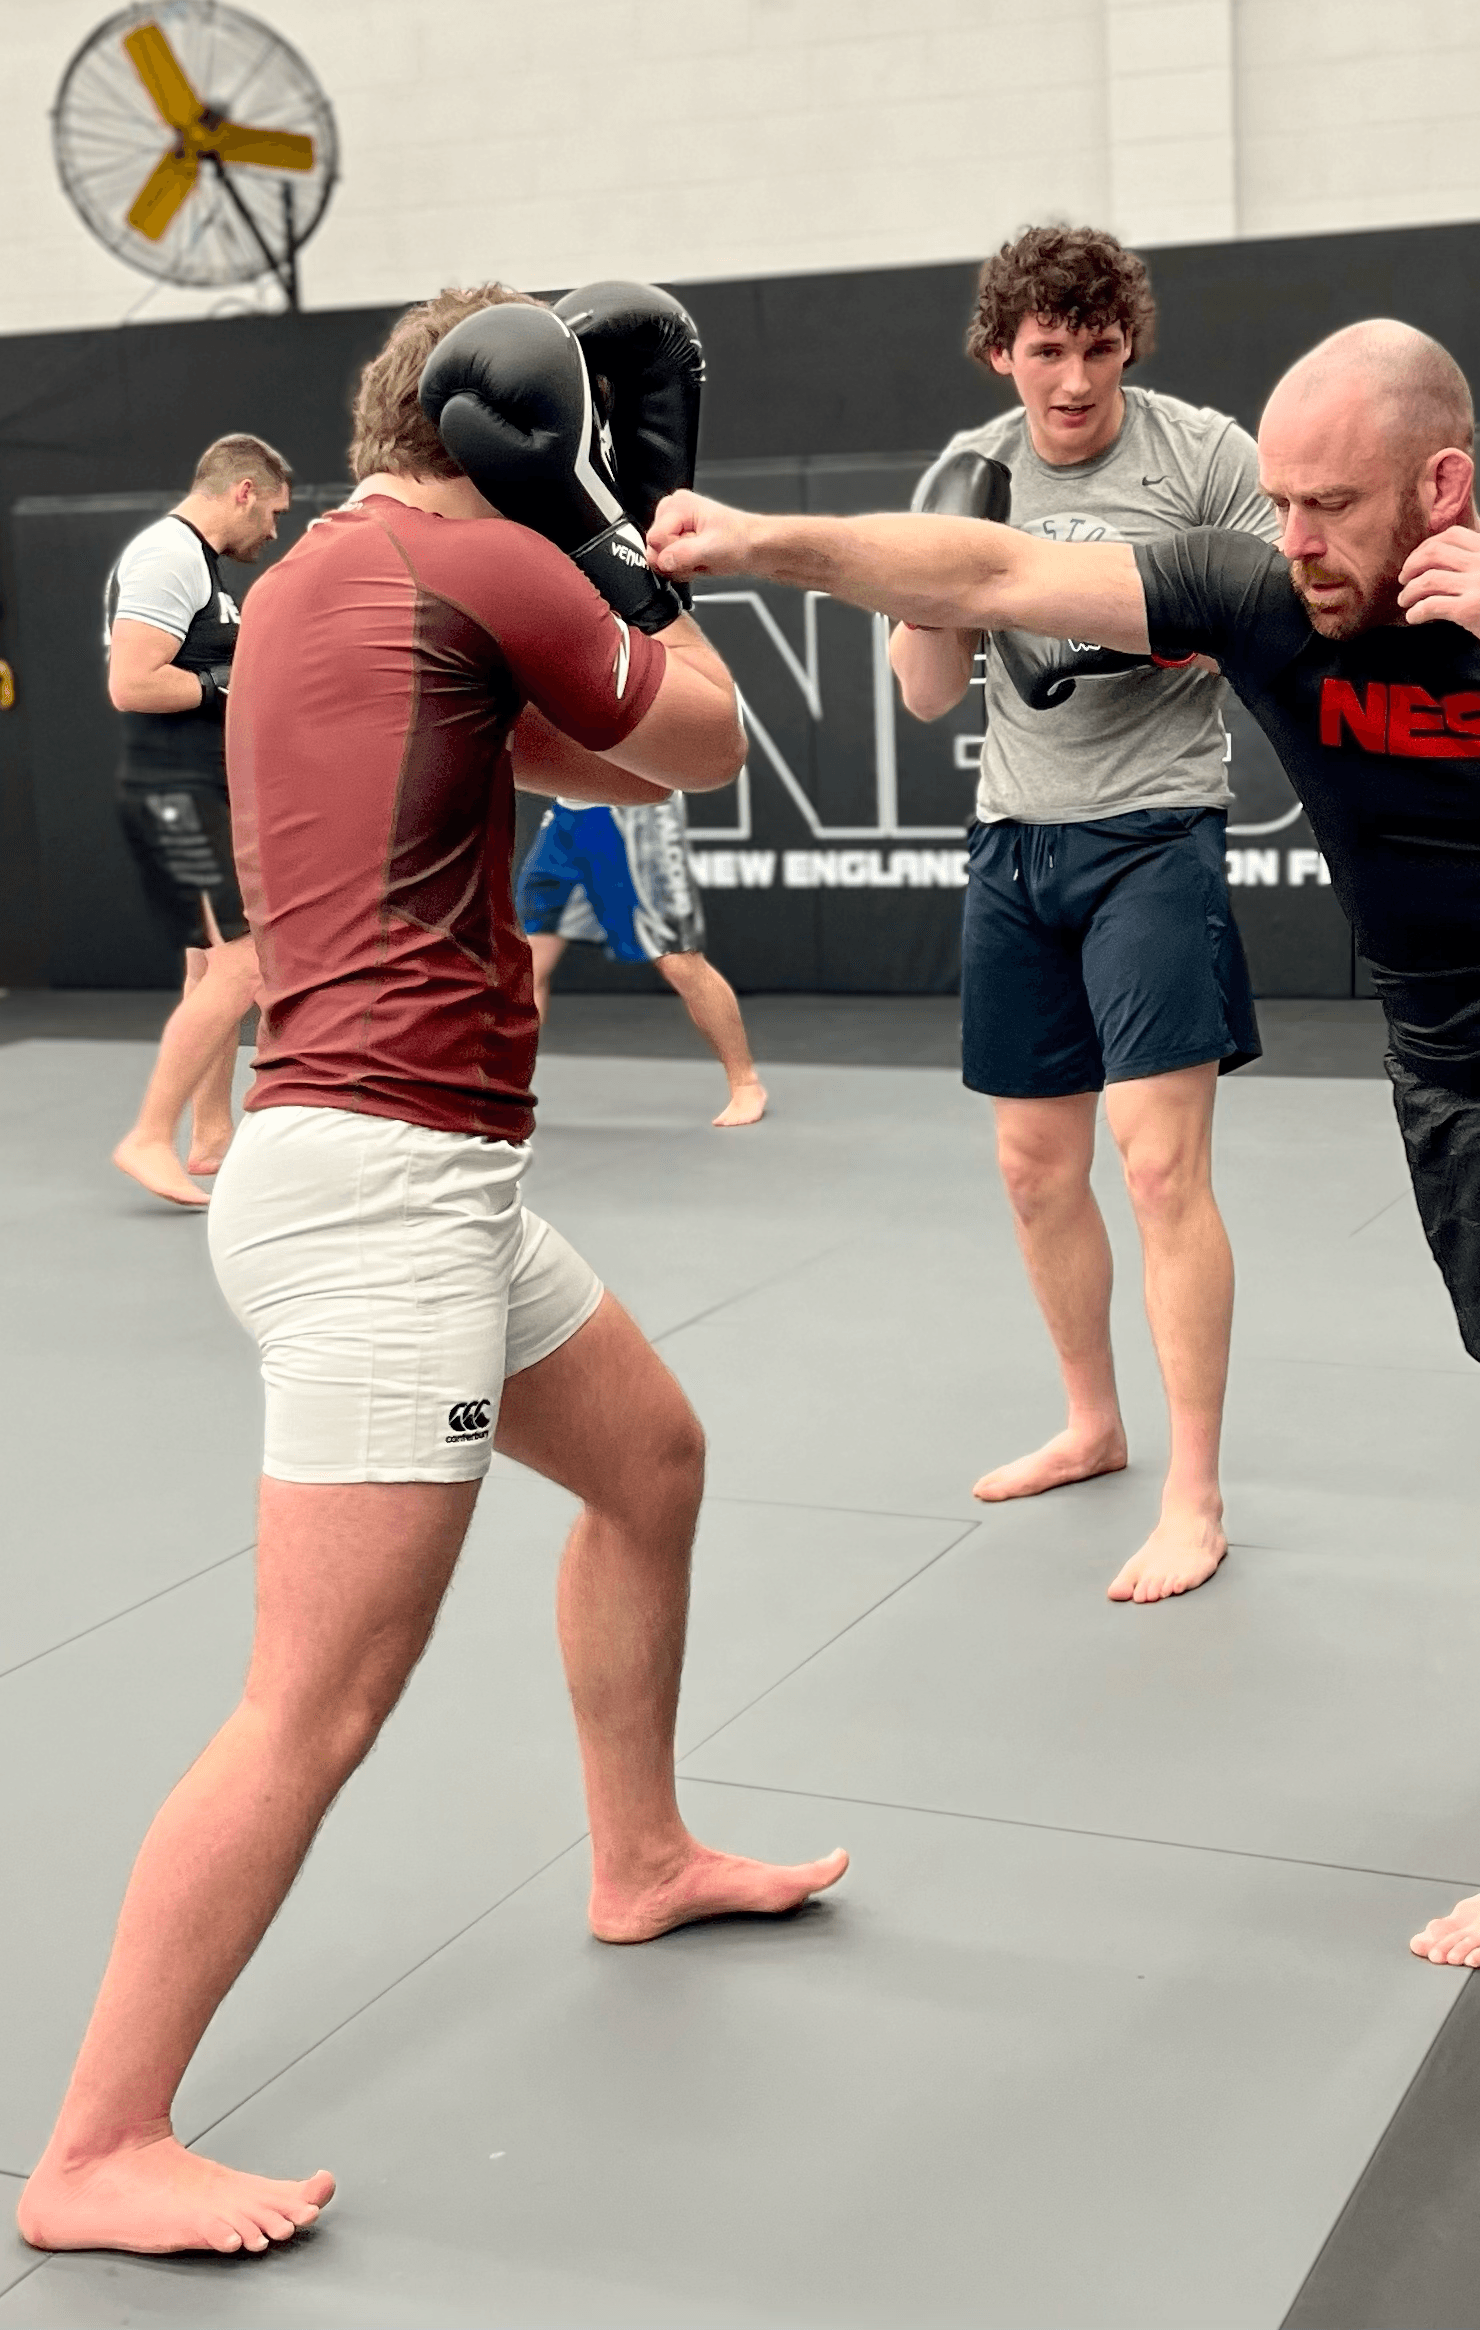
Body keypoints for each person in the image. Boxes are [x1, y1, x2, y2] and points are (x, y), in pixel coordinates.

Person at [643, 316, 1480, 1972]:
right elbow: (993, 571)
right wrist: (761, 542)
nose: (1294, 536)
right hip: (1447, 1081)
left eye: (1330, 505)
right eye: (1280, 500)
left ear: (1441, 487)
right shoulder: (1261, 593)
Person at [18, 284, 844, 2263]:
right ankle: (99, 2142)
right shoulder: (483, 558)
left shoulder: (325, 574)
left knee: (649, 1462)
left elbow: (604, 768)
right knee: (315, 1703)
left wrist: (597, 582)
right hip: (387, 1197)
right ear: (526, 433)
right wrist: (628, 530)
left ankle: (638, 1854)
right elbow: (710, 739)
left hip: (393, 1174)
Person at [891, 225, 1279, 1604]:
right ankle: (1091, 1422)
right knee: (1031, 1167)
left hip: (1154, 832)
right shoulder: (972, 464)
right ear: (1001, 350)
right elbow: (926, 694)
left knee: (1159, 1166)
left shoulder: (1202, 456)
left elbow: (1278, 615)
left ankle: (1195, 1491)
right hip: (1015, 841)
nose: (1071, 379)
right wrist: (936, 577)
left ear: (1128, 344)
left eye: (1097, 348)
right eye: (1045, 350)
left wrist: (1163, 619)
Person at [106, 436, 292, 1207]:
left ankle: (211, 1134)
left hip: (202, 792)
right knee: (246, 967)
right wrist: (229, 684)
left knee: (210, 971)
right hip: (173, 795)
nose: (274, 531)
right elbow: (132, 684)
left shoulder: (200, 566)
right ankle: (148, 1135)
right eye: (273, 513)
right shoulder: (168, 554)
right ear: (242, 490)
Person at [515, 726, 768, 1127]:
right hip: (567, 815)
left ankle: (746, 1084)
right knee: (526, 964)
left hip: (637, 812)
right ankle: (510, 1089)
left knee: (677, 960)